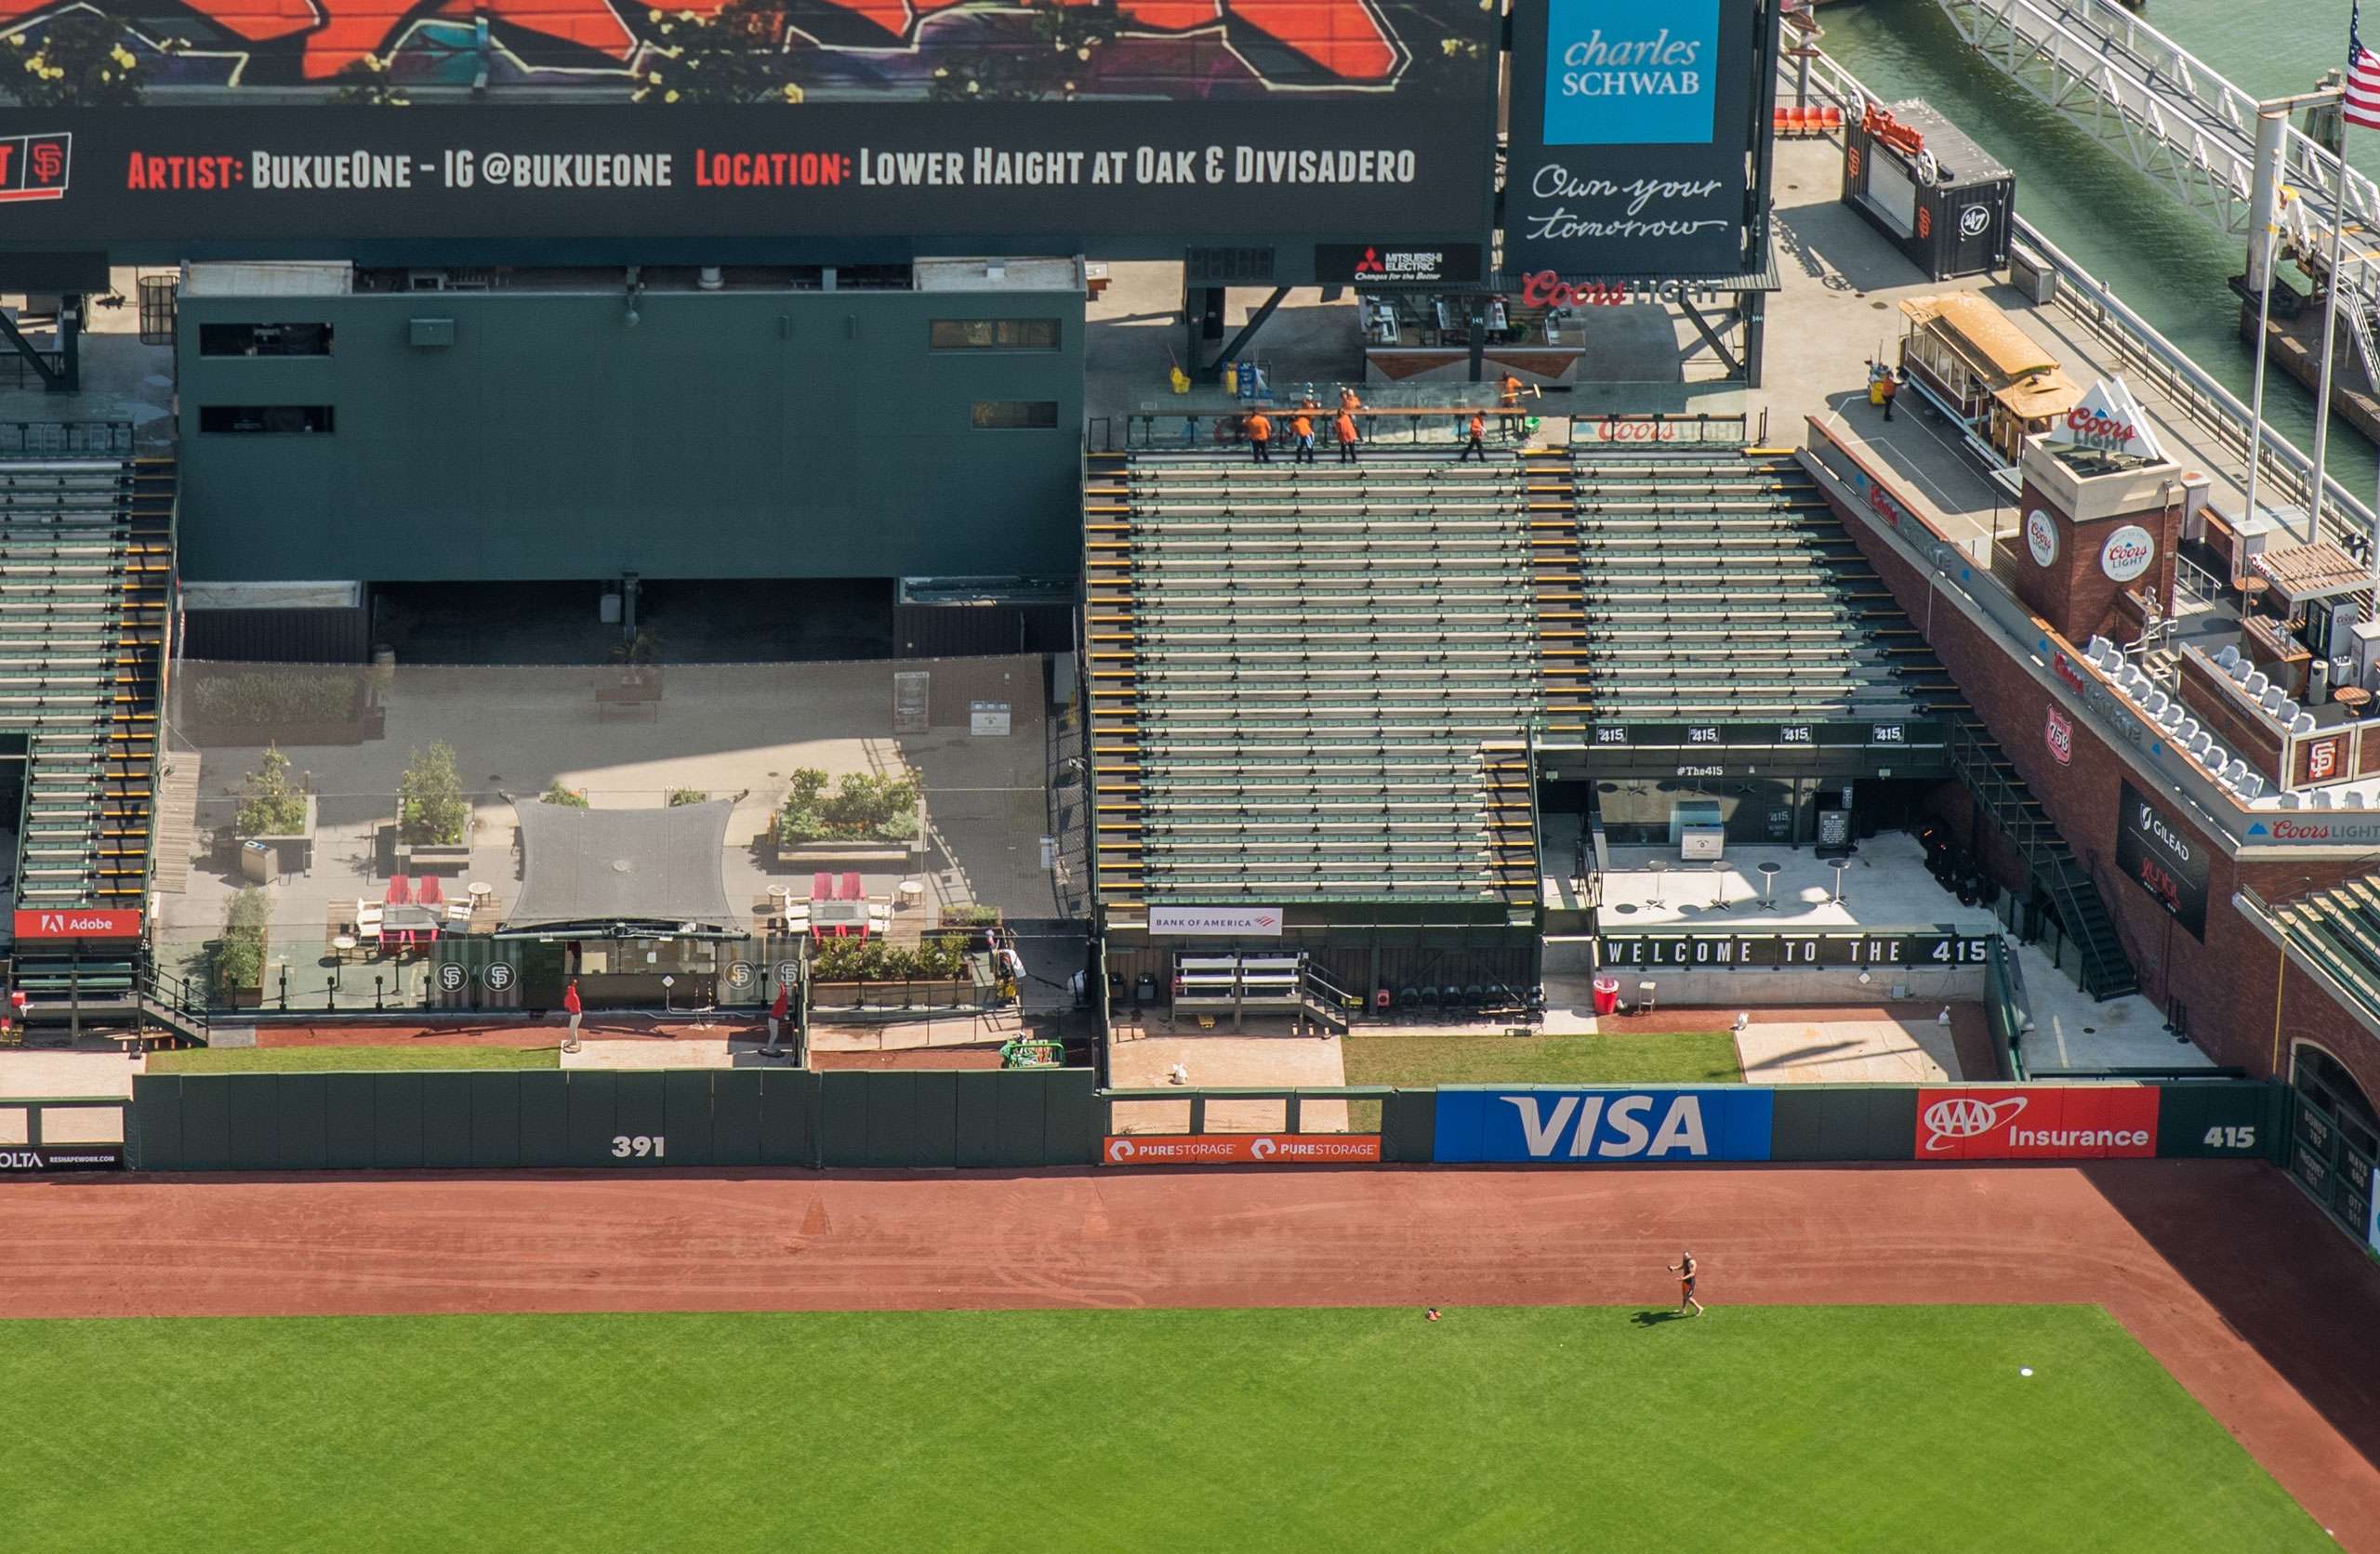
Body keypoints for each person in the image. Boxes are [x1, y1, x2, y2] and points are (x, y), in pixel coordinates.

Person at [1668, 1251, 1704, 1316]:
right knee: (1684, 1297)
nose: (1684, 1257)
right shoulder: (1685, 1260)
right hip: (1685, 1281)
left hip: (1690, 1282)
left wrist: (1683, 1278)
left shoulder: (1692, 1262)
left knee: (1688, 1297)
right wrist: (1674, 1268)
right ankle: (1683, 1309)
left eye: (1686, 1256)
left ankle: (1699, 1308)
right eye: (1684, 1256)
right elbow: (1682, 1266)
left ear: (1689, 1255)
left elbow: (1692, 1273)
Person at [761, 981, 790, 1059]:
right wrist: (782, 985)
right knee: (774, 1035)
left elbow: (783, 1012)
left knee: (774, 1035)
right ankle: (769, 1049)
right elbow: (783, 992)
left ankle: (769, 1048)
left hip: (774, 1020)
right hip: (773, 1020)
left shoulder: (784, 1003)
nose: (787, 997)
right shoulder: (782, 999)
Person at [562, 978, 583, 1054]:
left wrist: (573, 984)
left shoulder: (569, 997)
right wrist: (573, 983)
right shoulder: (574, 995)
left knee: (572, 1029)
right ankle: (574, 1041)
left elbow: (566, 1005)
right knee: (573, 1029)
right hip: (577, 1015)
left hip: (576, 1015)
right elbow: (572, 988)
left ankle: (574, 1042)